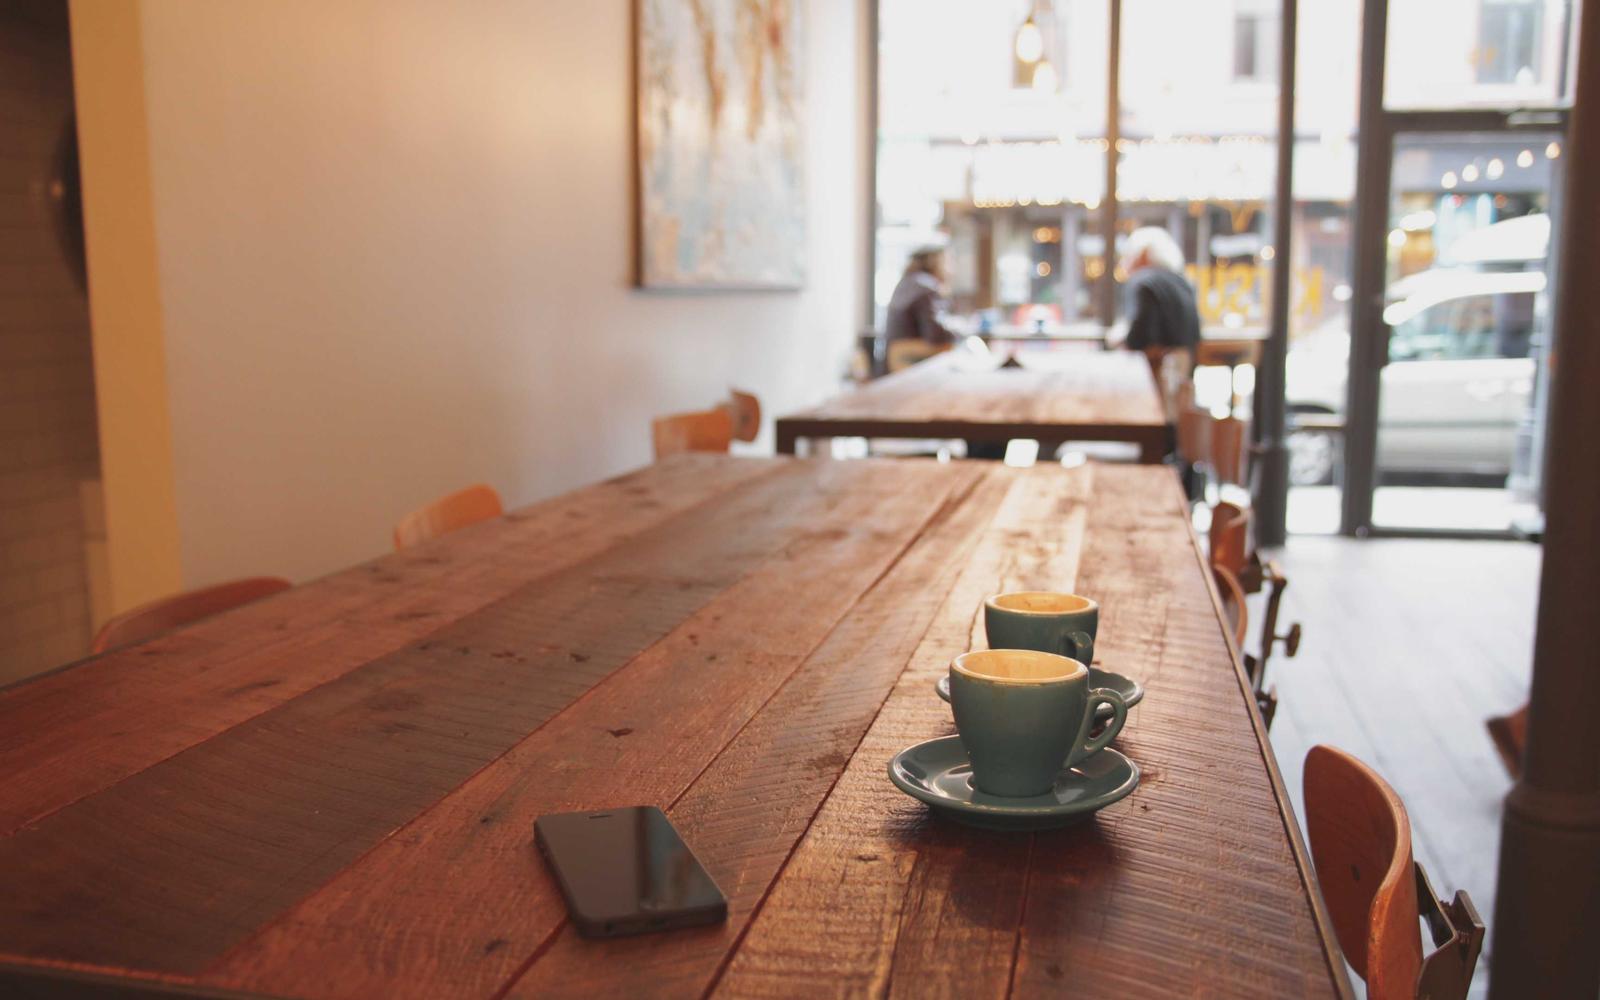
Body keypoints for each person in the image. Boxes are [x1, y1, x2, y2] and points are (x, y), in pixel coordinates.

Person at [1117, 226, 1201, 382]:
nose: (1124, 263)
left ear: (1141, 255)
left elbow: (1138, 335)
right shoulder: (1182, 282)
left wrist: (1122, 341)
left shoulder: (1143, 281)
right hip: (1182, 373)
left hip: (1154, 376)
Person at [885, 246, 958, 372]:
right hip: (911, 360)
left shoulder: (907, 282)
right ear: (936, 262)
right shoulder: (926, 287)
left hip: (893, 361)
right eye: (948, 262)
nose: (952, 269)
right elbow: (936, 336)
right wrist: (960, 333)